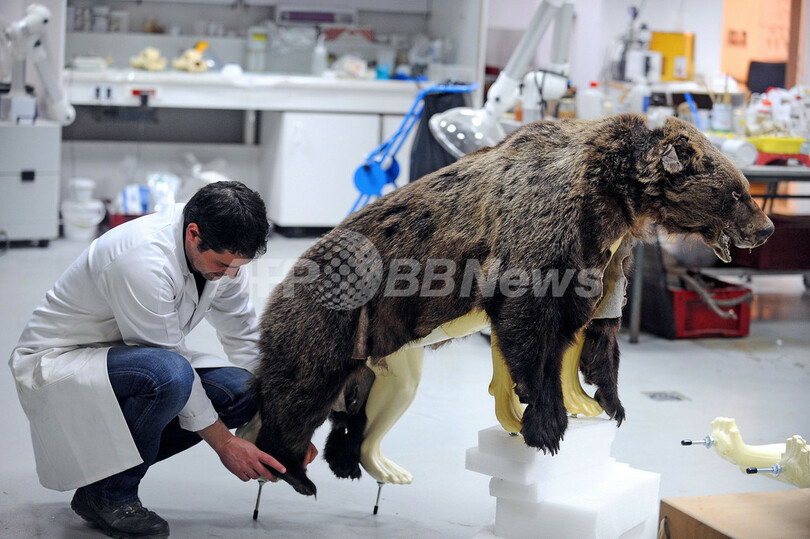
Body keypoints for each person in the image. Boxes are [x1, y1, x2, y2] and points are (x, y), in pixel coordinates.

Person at [9, 181, 316, 538]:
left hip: (126, 354)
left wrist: (285, 426)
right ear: (193, 234)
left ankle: (98, 486)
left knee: (243, 390)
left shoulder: (224, 256)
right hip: (61, 358)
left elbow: (244, 336)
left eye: (238, 266)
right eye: (222, 264)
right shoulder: (143, 259)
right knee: (170, 377)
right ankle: (110, 495)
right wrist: (226, 443)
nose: (230, 274)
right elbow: (170, 361)